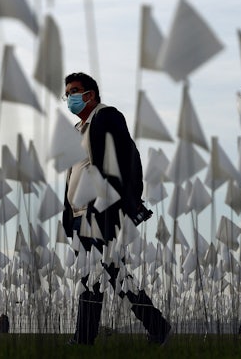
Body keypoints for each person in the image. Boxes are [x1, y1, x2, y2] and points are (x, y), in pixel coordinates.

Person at [61, 72, 171, 346]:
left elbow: (125, 160)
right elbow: (74, 172)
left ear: (91, 94)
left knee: (108, 272)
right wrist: (68, 212)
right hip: (79, 215)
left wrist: (118, 203)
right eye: (67, 94)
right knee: (99, 274)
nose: (69, 98)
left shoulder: (107, 117)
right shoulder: (77, 130)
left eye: (74, 91)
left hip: (100, 212)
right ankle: (152, 326)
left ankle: (89, 337)